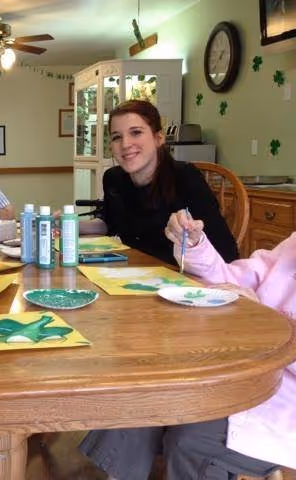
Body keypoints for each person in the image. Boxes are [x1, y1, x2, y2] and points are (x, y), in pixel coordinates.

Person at [79, 209, 296, 479]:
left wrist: (264, 316)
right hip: (241, 371)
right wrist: (194, 244)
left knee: (192, 441)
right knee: (142, 392)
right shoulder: (291, 247)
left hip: (283, 401)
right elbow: (229, 280)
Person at [78, 100, 238, 265]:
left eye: (136, 132)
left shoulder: (186, 178)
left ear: (158, 138)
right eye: (117, 137)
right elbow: (110, 222)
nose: (125, 144)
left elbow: (226, 252)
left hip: (180, 278)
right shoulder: (113, 178)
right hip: (134, 271)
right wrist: (68, 224)